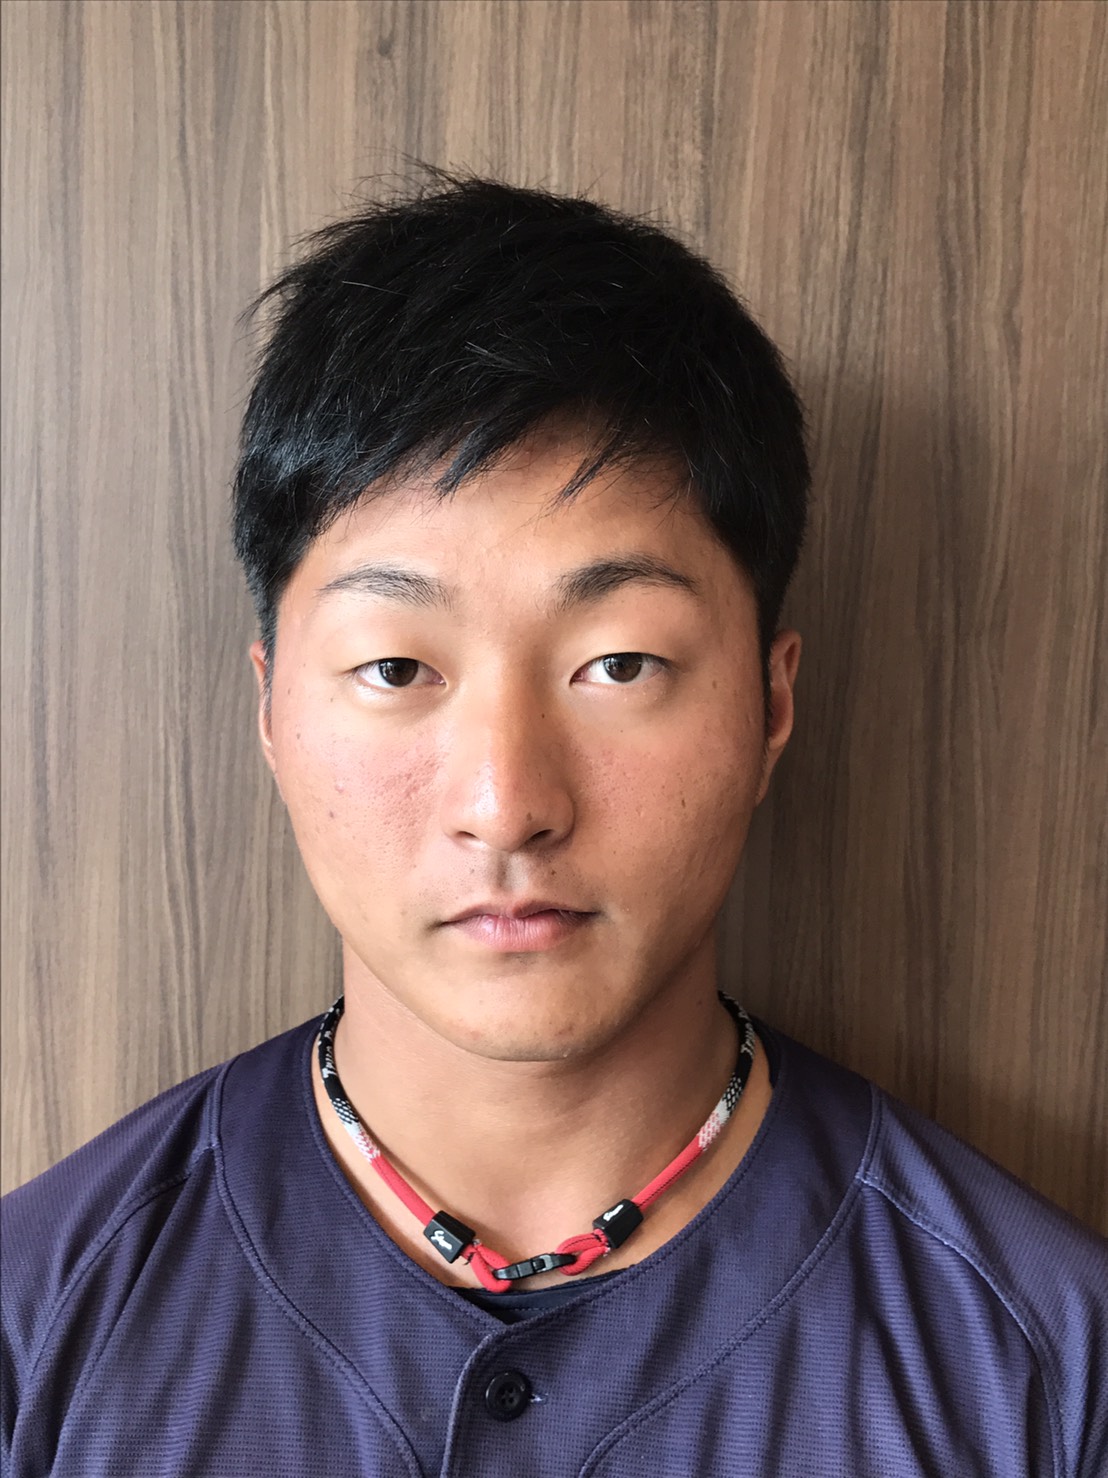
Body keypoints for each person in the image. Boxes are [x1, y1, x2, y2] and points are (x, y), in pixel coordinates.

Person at [2, 173, 1105, 1478]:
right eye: (396, 667)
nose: (506, 803)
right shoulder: (37, 1327)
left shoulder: (1048, 1376)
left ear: (771, 705)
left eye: (620, 663)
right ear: (271, 711)